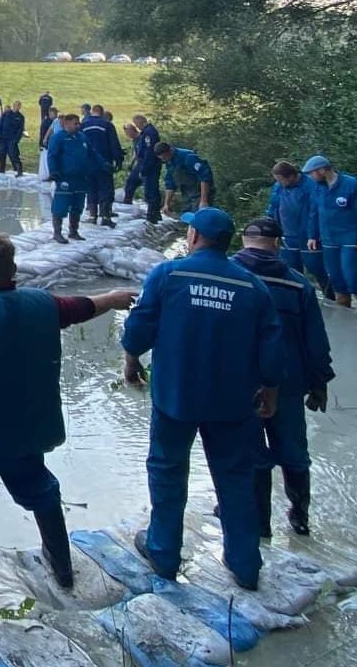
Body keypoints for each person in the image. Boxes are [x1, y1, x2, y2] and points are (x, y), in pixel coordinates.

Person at [0, 234, 135, 615]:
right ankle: (63, 570)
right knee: (42, 492)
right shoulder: (42, 304)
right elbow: (82, 307)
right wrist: (114, 297)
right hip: (28, 432)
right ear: (14, 271)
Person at [121, 207, 284, 590]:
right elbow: (273, 352)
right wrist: (271, 392)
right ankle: (245, 565)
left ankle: (163, 554)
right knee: (235, 479)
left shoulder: (168, 275)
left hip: (175, 398)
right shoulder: (251, 287)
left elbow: (138, 328)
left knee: (167, 472)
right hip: (232, 403)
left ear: (193, 237)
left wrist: (131, 361)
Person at [232, 217, 334, 536]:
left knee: (247, 450)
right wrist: (319, 383)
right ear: (278, 244)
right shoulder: (298, 284)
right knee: (293, 450)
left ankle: (259, 523)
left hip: (238, 383)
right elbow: (316, 341)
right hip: (289, 382)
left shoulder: (228, 277)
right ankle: (300, 516)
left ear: (243, 241)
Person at [303, 155, 357, 314]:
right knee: (336, 278)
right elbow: (314, 213)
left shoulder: (351, 184)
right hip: (329, 239)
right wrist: (312, 235)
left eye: (311, 173)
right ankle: (345, 315)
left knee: (353, 276)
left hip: (350, 239)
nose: (309, 177)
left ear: (322, 170)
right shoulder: (317, 188)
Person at [265, 161, 325, 294]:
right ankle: (295, 301)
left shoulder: (310, 186)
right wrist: (271, 229)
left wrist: (313, 235)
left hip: (307, 237)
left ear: (291, 176)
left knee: (317, 270)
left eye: (281, 179)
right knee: (290, 272)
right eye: (277, 180)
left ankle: (331, 299)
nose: (279, 182)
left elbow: (315, 213)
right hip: (287, 236)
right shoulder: (278, 187)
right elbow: (273, 207)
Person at [46, 114, 90, 243]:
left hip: (81, 178)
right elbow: (52, 155)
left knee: (78, 205)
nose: (78, 126)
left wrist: (102, 164)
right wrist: (53, 171)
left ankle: (74, 231)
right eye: (75, 123)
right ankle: (57, 232)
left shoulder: (82, 137)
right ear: (66, 124)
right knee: (61, 205)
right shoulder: (58, 138)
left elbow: (91, 153)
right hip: (65, 177)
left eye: (78, 123)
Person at [81, 108, 125, 226]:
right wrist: (118, 160)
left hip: (88, 163)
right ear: (102, 113)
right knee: (105, 189)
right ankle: (105, 216)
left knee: (91, 189)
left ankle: (92, 216)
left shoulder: (83, 124)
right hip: (105, 162)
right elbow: (114, 144)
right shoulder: (107, 125)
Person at [122, 115, 163, 222]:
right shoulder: (146, 133)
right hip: (144, 163)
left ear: (140, 122)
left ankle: (153, 214)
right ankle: (151, 212)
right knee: (132, 183)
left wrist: (144, 168)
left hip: (149, 164)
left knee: (151, 189)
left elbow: (149, 152)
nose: (137, 127)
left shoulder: (149, 133)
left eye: (137, 125)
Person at [158, 142, 213, 213]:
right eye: (161, 159)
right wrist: (166, 204)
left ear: (170, 151)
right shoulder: (169, 162)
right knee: (186, 216)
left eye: (164, 157)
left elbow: (204, 177)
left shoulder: (188, 157)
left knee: (198, 218)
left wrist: (204, 201)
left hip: (201, 193)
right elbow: (170, 185)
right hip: (187, 194)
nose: (163, 160)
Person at [0, 102, 27, 175]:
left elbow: (20, 130)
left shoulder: (20, 117)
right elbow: (0, 125)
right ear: (13, 106)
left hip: (12, 139)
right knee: (2, 154)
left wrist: (16, 140)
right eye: (16, 106)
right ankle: (1, 169)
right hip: (3, 138)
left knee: (14, 154)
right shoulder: (6, 114)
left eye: (18, 106)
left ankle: (19, 170)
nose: (17, 107)